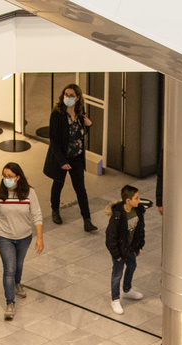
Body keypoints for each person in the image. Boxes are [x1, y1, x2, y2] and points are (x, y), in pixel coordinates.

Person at [0, 163, 45, 321]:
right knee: (9, 269)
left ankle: (17, 283)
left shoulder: (29, 193)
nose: (7, 179)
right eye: (4, 176)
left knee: (18, 264)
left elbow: (37, 215)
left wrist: (39, 237)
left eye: (10, 176)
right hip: (4, 237)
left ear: (18, 177)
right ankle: (10, 303)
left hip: (24, 237)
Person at [44, 83, 97, 231]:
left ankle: (87, 220)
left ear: (77, 97)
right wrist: (62, 161)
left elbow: (81, 131)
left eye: (71, 95)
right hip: (62, 157)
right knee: (58, 184)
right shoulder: (57, 114)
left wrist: (89, 124)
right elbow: (53, 140)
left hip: (77, 157)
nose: (68, 97)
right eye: (66, 95)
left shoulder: (80, 112)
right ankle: (55, 210)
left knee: (80, 188)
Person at [104, 185, 146, 315]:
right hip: (120, 251)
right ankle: (115, 299)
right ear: (128, 200)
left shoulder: (138, 210)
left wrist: (139, 246)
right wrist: (116, 254)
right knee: (117, 274)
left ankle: (127, 289)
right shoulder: (118, 216)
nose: (139, 200)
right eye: (136, 198)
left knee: (132, 266)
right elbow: (110, 237)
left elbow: (140, 230)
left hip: (131, 248)